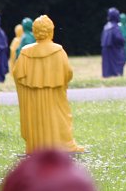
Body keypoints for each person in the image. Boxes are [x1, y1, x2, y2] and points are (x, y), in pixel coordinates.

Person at [12, 15, 84, 154]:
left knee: (37, 119)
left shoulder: (26, 52)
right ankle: (61, 146)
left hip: (33, 99)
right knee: (59, 117)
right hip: (55, 96)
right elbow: (68, 72)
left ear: (34, 32)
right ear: (51, 31)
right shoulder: (58, 51)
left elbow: (17, 74)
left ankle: (37, 146)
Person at [100, 9, 126, 78]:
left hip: (107, 50)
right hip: (115, 50)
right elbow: (119, 38)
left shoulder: (106, 27)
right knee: (119, 61)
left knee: (107, 64)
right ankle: (116, 74)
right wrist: (123, 41)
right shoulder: (115, 27)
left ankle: (107, 74)